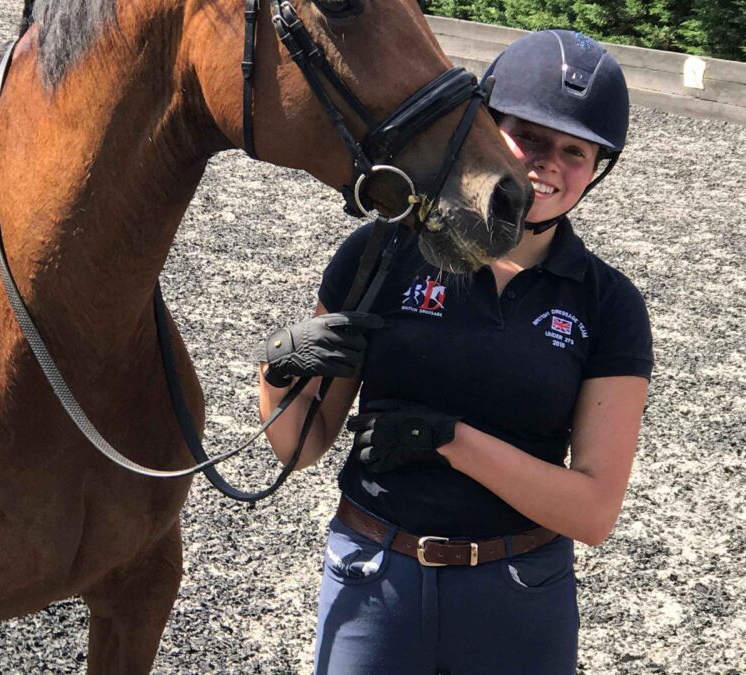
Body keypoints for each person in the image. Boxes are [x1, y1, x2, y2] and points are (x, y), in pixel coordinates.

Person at [256, 29, 652, 674]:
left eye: (574, 151)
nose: (548, 163)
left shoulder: (608, 304)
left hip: (519, 590)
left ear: (596, 169)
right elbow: (297, 447)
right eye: (530, 135)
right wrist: (280, 365)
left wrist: (448, 439)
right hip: (373, 576)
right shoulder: (380, 253)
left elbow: (593, 511)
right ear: (487, 128)